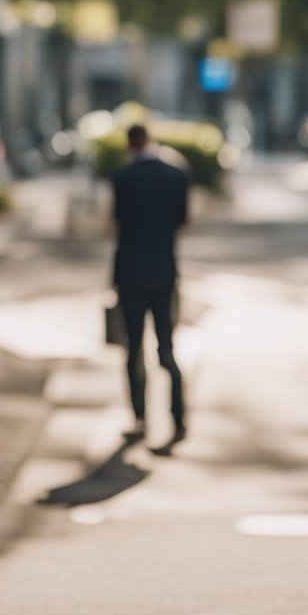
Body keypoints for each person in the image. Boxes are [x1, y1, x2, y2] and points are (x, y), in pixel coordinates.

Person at [111, 123, 188, 445]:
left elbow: (117, 223)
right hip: (164, 273)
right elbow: (182, 220)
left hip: (130, 273)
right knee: (167, 349)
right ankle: (178, 418)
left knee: (133, 348)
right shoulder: (177, 176)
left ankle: (140, 417)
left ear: (130, 144)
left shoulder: (123, 178)